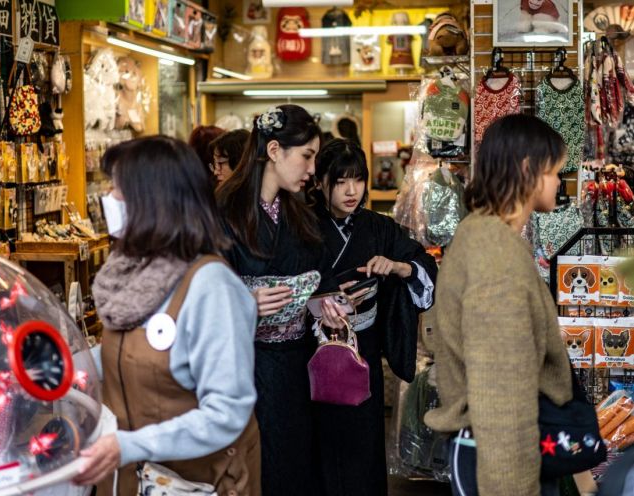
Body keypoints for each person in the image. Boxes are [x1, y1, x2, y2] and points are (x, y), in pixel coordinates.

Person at [75, 136, 261, 496]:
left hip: (199, 482)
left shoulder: (211, 286)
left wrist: (130, 445)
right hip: (131, 479)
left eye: (119, 190)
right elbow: (131, 352)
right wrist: (67, 367)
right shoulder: (131, 275)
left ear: (153, 201)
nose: (110, 199)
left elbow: (226, 412)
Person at [424, 114, 573, 496]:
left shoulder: (486, 235)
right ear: (528, 169)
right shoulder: (496, 253)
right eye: (555, 171)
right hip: (499, 462)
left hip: (493, 450)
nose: (560, 181)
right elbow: (500, 392)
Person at [216, 104, 336, 495]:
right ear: (273, 151)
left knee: (295, 463)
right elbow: (201, 291)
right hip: (245, 366)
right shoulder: (223, 210)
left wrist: (328, 306)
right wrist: (245, 301)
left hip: (296, 364)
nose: (312, 169)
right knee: (254, 465)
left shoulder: (299, 214)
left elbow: (319, 280)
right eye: (307, 156)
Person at [309, 138, 437, 496]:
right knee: (317, 449)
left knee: (363, 451)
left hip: (362, 351)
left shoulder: (378, 228)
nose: (352, 191)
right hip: (313, 351)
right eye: (340, 181)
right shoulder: (303, 225)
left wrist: (397, 267)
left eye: (358, 180)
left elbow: (421, 264)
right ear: (320, 182)